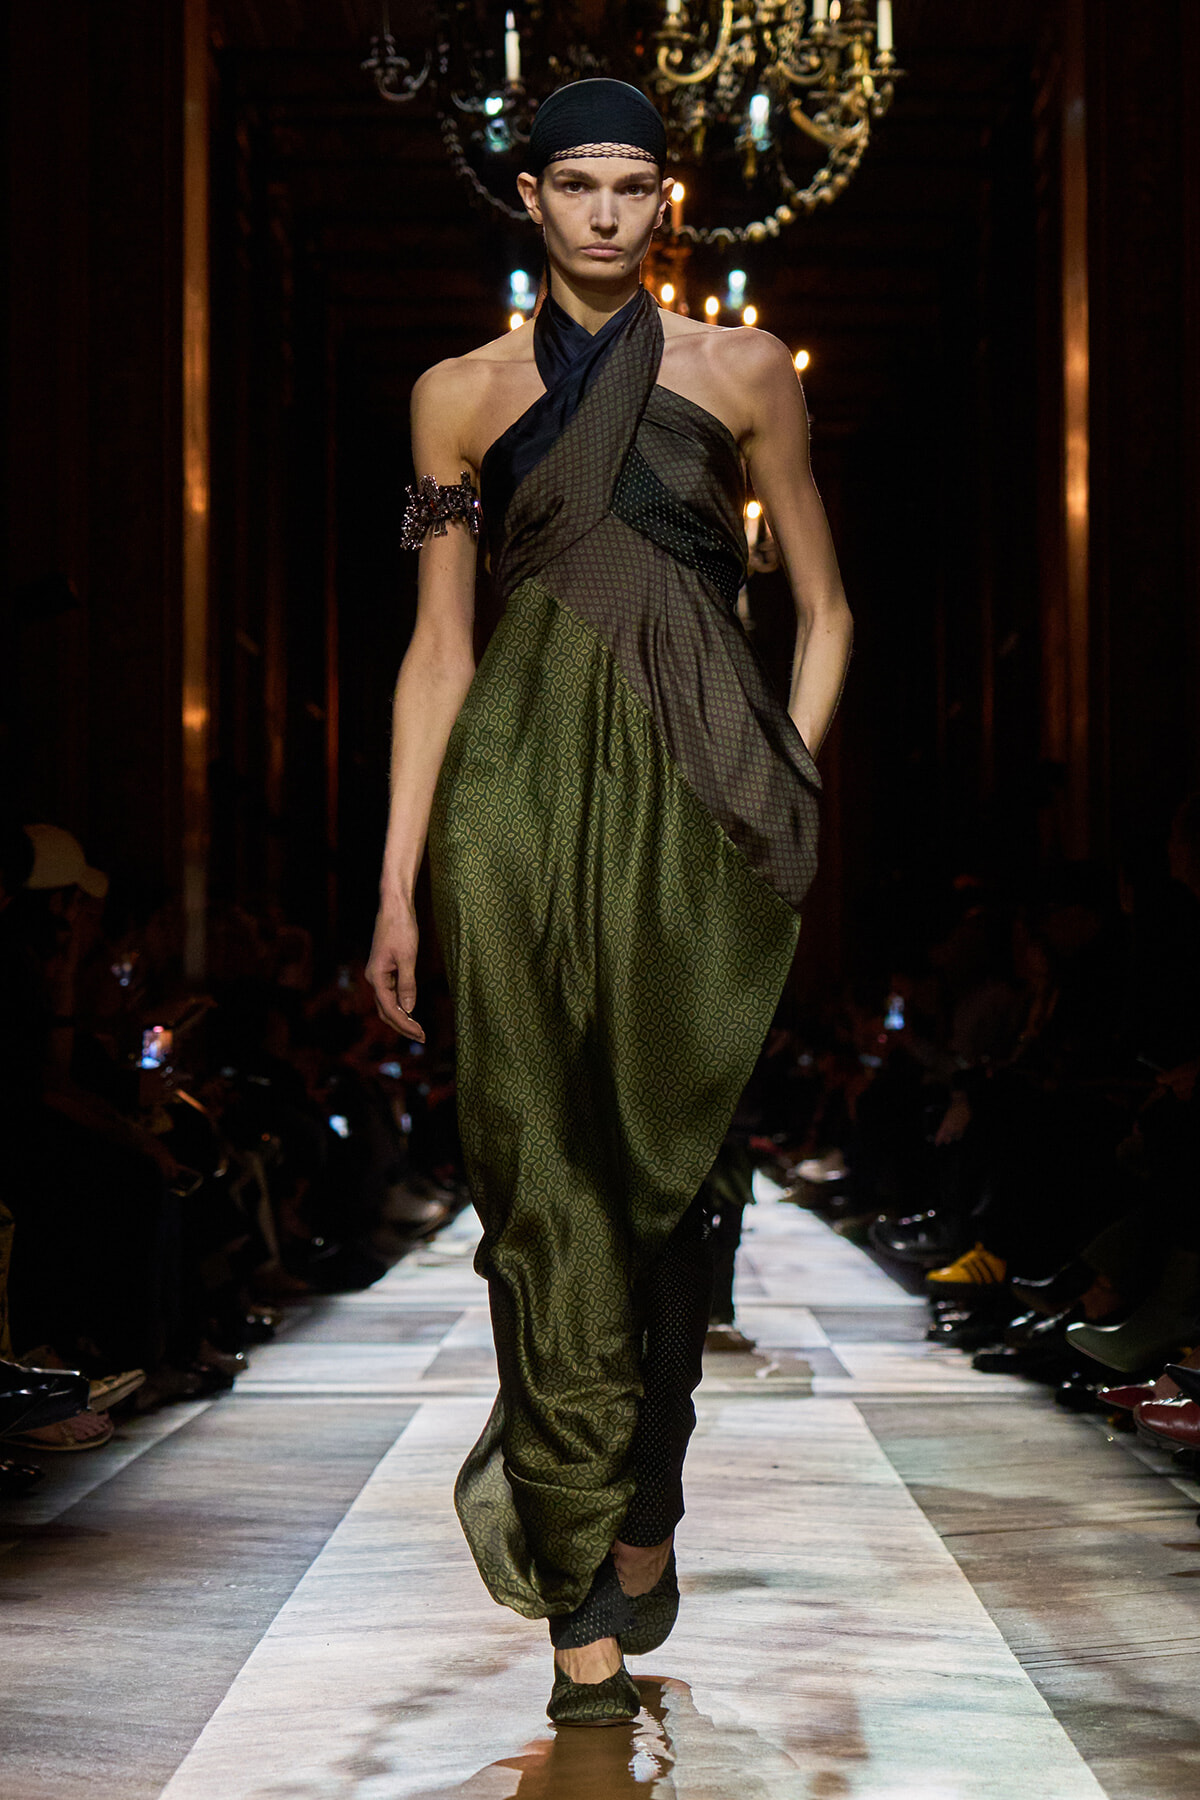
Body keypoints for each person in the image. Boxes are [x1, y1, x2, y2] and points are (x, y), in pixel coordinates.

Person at [367, 78, 853, 1726]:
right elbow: (439, 650)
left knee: (681, 1181)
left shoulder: (742, 370)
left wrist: (781, 776)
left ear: (667, 203)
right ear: (528, 197)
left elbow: (828, 609)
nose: (600, 212)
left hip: (696, 801)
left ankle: (645, 1486)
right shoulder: (455, 396)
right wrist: (399, 882)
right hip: (509, 799)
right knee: (539, 1183)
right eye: (572, 182)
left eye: (630, 184)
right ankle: (577, 1595)